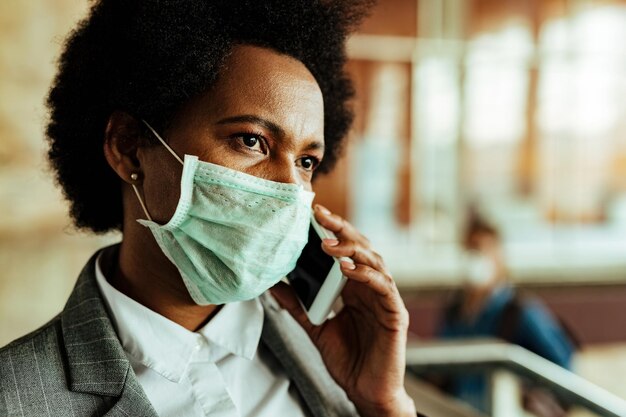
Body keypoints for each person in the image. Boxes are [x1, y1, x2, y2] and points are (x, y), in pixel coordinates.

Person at [0, 1, 422, 416]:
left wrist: (383, 406)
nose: (291, 189)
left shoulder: (328, 351)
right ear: (129, 148)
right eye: (252, 141)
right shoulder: (16, 397)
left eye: (306, 161)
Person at [436, 212, 576, 414]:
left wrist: (530, 393)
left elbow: (564, 366)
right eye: (469, 249)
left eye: (480, 249)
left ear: (498, 256)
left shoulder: (519, 311)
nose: (473, 257)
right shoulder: (454, 310)